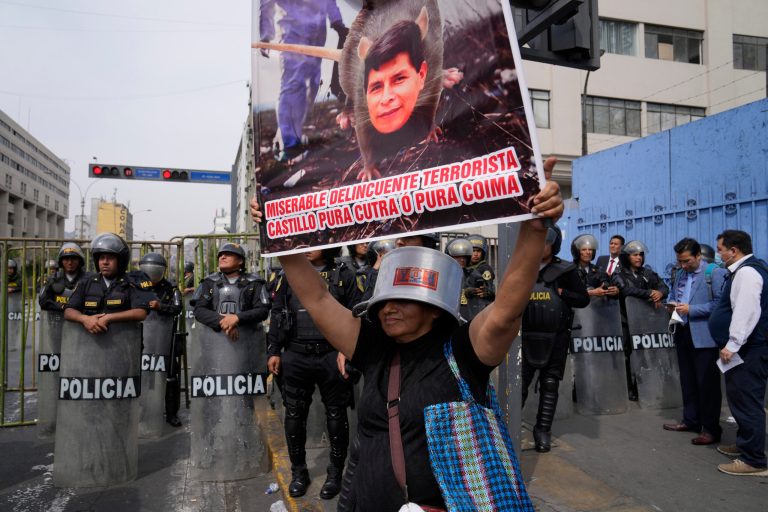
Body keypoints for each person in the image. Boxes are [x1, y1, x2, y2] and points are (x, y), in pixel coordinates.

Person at [249, 155, 563, 511]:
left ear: (434, 309)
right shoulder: (374, 348)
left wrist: (536, 227)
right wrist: (275, 234)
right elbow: (317, 298)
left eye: (402, 301)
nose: (388, 309)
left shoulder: (462, 353)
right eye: (383, 302)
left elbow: (507, 309)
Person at [267, 247, 360, 499]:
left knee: (336, 415)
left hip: (332, 354)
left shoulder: (344, 274)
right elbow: (277, 312)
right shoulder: (290, 273)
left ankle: (335, 474)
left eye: (312, 244)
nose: (306, 250)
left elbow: (356, 313)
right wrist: (274, 350)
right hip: (296, 354)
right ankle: (299, 473)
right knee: (294, 415)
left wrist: (347, 348)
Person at [521, 225, 589, 452]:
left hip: (556, 337)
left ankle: (542, 430)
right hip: (526, 337)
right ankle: (506, 429)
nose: (541, 247)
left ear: (554, 244)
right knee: (519, 385)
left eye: (546, 242)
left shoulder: (565, 270)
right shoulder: (523, 266)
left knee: (550, 384)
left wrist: (564, 294)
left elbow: (583, 299)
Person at [708, 230, 768, 476]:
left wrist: (732, 344)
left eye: (721, 249)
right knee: (740, 399)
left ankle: (754, 460)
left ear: (734, 250)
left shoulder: (747, 273)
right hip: (746, 349)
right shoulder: (748, 270)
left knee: (747, 401)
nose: (719, 254)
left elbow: (746, 311)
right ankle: (745, 444)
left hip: (748, 350)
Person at [259, 0, 347, 162]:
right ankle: (290, 144)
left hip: (317, 32)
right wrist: (265, 35)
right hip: (291, 29)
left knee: (313, 83)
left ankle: (290, 133)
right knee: (293, 85)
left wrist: (337, 21)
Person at [662, 238, 726, 445]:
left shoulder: (714, 273)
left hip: (705, 335)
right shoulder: (680, 273)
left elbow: (720, 304)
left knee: (707, 384)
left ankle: (710, 428)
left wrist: (692, 310)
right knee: (688, 380)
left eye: (687, 261)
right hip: (683, 331)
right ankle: (691, 420)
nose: (683, 265)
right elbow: (674, 293)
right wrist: (671, 303)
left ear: (698, 256)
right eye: (680, 261)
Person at [612, 240, 669, 401]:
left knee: (644, 356)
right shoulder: (619, 274)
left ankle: (642, 386)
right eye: (634, 255)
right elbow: (626, 290)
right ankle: (628, 387)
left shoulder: (647, 273)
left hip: (645, 322)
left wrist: (661, 293)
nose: (638, 258)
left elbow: (664, 286)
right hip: (626, 321)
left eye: (640, 255)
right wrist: (651, 293)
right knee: (626, 355)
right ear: (626, 257)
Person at [63, 233, 152, 332]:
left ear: (120, 261)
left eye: (110, 258)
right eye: (102, 258)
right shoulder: (86, 282)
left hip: (124, 343)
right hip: (89, 344)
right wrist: (85, 319)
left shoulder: (132, 283)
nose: (105, 262)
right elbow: (69, 311)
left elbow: (141, 312)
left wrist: (108, 318)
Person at [134, 252, 184, 427]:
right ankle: (143, 410)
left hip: (164, 339)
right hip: (141, 338)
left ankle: (171, 413)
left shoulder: (170, 288)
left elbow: (178, 308)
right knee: (142, 374)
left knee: (170, 375)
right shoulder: (136, 285)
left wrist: (160, 306)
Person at [192, 243, 270, 342]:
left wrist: (237, 318)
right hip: (213, 343)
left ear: (240, 260)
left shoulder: (254, 282)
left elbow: (262, 311)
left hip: (247, 343)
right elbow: (199, 310)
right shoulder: (209, 282)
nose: (222, 257)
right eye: (220, 255)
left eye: (228, 254)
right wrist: (224, 321)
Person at [38, 243, 90, 311]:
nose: (70, 262)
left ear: (79, 260)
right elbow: (43, 301)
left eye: (74, 259)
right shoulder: (53, 279)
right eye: (66, 259)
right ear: (61, 261)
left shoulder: (89, 279)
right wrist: (63, 307)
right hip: (57, 319)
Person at [464, 234, 496, 320]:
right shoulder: (462, 269)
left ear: (483, 253)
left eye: (478, 251)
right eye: (473, 251)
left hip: (479, 312)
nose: (475, 254)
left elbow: (487, 289)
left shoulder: (485, 268)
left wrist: (484, 291)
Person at [445, 238, 474, 322]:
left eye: (464, 257)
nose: (462, 260)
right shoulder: (444, 273)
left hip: (466, 317)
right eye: (457, 257)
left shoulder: (472, 274)